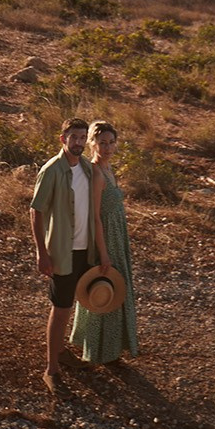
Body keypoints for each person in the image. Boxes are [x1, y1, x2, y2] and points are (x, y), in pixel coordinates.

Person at [30, 116, 96, 392]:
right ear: (63, 139)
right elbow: (36, 210)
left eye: (82, 137)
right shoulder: (52, 170)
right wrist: (41, 253)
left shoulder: (87, 169)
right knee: (60, 309)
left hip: (86, 248)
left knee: (77, 303)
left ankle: (61, 352)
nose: (78, 142)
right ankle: (51, 370)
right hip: (62, 251)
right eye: (74, 137)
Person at [69, 120, 138, 368]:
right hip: (105, 237)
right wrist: (103, 252)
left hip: (118, 235)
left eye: (111, 143)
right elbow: (95, 216)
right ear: (92, 144)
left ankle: (110, 349)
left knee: (115, 290)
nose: (107, 147)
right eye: (102, 143)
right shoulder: (96, 173)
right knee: (103, 289)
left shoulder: (109, 169)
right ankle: (97, 349)